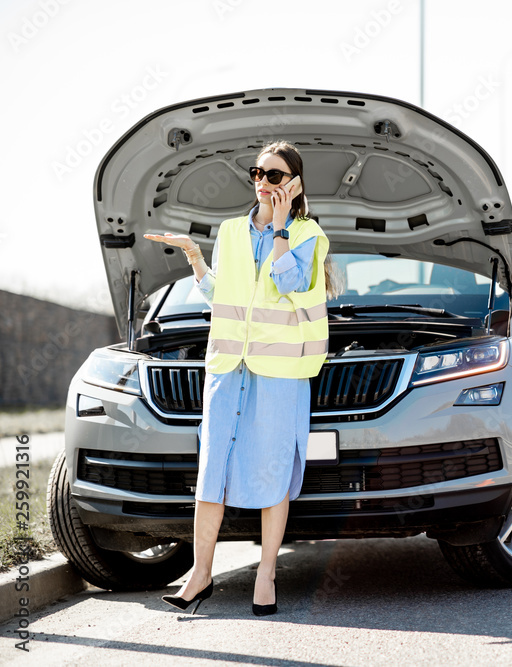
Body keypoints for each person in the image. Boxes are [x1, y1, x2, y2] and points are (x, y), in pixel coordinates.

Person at [144, 141, 329, 616]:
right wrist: (195, 260)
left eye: (275, 175)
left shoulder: (310, 235)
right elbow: (221, 297)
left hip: (279, 373)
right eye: (258, 173)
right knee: (213, 472)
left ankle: (265, 575)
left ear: (294, 183)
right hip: (228, 369)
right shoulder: (229, 231)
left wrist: (283, 228)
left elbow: (290, 285)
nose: (264, 182)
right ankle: (199, 576)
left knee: (272, 472)